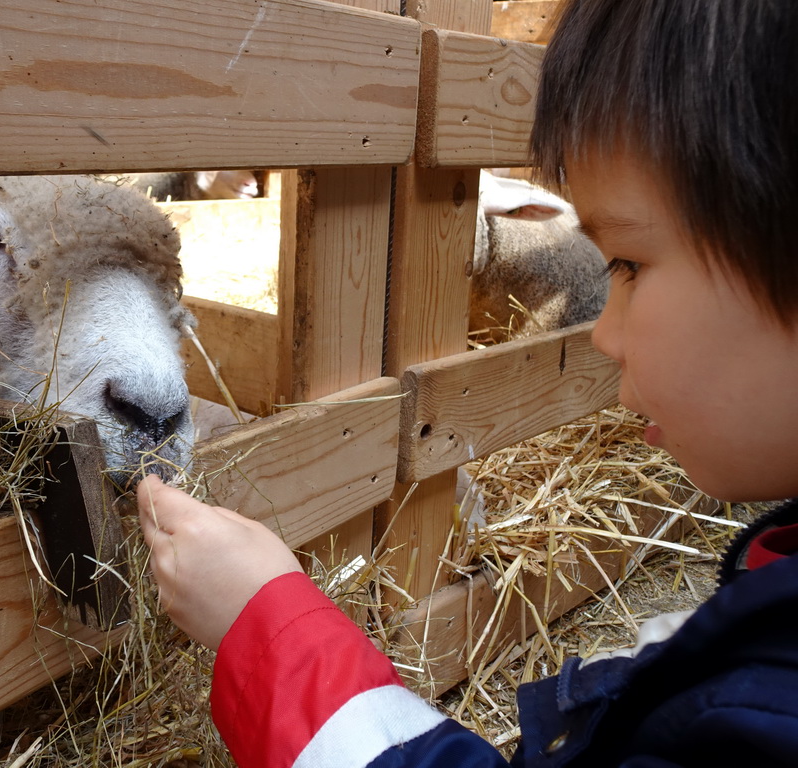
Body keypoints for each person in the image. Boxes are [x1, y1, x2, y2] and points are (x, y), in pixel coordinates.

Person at [136, 0, 798, 764]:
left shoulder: (763, 712)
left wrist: (266, 626)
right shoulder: (761, 611)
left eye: (630, 264)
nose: (603, 335)